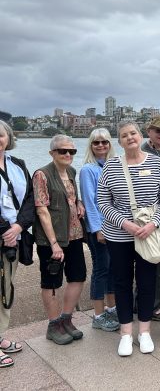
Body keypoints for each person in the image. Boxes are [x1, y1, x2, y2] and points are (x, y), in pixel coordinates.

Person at [98, 121, 160, 356]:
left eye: (133, 133)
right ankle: (125, 333)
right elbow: (102, 202)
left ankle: (145, 331)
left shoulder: (157, 163)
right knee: (121, 283)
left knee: (147, 282)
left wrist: (153, 223)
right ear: (119, 141)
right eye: (124, 135)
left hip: (150, 234)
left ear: (140, 136)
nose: (129, 138)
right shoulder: (110, 167)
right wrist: (126, 224)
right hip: (119, 236)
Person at [33, 135, 86, 346]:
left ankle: (66, 319)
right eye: (62, 151)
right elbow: (42, 210)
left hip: (74, 234)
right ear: (52, 153)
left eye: (71, 151)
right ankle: (53, 325)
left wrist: (79, 202)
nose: (67, 155)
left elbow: (71, 196)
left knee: (78, 277)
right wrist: (54, 243)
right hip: (52, 240)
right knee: (51, 282)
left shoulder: (71, 172)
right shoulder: (42, 175)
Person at [0, 120, 35, 368]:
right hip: (4, 236)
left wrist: (19, 227)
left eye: (0, 135)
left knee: (5, 289)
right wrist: (6, 230)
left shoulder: (18, 165)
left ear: (8, 138)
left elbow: (31, 199)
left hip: (15, 237)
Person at [79, 128, 119, 332]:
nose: (101, 146)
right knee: (101, 269)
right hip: (100, 229)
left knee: (113, 269)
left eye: (104, 142)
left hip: (116, 227)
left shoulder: (113, 166)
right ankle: (98, 314)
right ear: (91, 146)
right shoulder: (88, 169)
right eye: (96, 143)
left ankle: (112, 308)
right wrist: (97, 228)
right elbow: (89, 202)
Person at [141, 115, 160, 321]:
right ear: (149, 131)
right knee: (150, 262)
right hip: (146, 216)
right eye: (158, 131)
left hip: (159, 213)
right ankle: (148, 305)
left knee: (158, 260)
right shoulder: (144, 152)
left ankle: (152, 303)